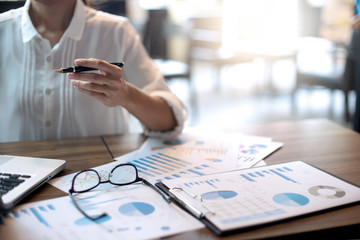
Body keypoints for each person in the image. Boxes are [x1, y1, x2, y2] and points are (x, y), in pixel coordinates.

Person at [0, 0, 187, 142]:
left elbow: (169, 121)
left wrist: (127, 95)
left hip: (100, 179)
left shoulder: (116, 31)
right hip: (17, 183)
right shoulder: (3, 30)